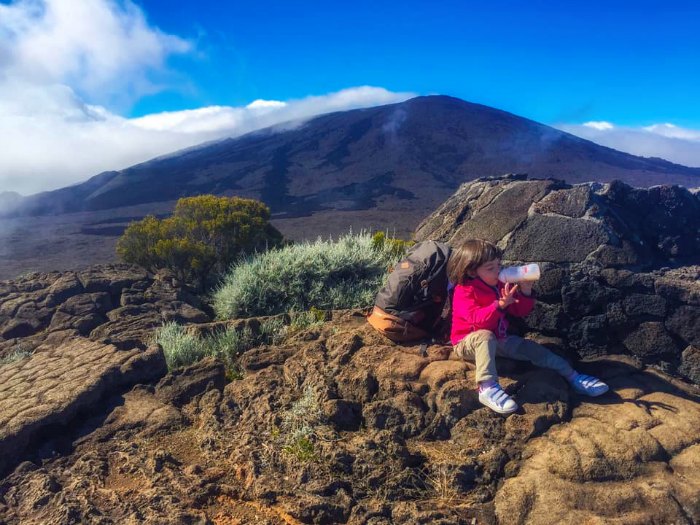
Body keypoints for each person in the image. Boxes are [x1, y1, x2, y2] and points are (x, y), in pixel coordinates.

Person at [448, 239, 608, 414]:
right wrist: (499, 305)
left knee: (531, 348)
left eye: (498, 265)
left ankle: (573, 377)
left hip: (499, 338)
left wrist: (525, 291)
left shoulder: (499, 285)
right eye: (490, 268)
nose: (497, 271)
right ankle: (487, 388)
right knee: (485, 336)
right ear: (472, 271)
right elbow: (477, 321)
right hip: (467, 343)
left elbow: (519, 311)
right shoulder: (464, 291)